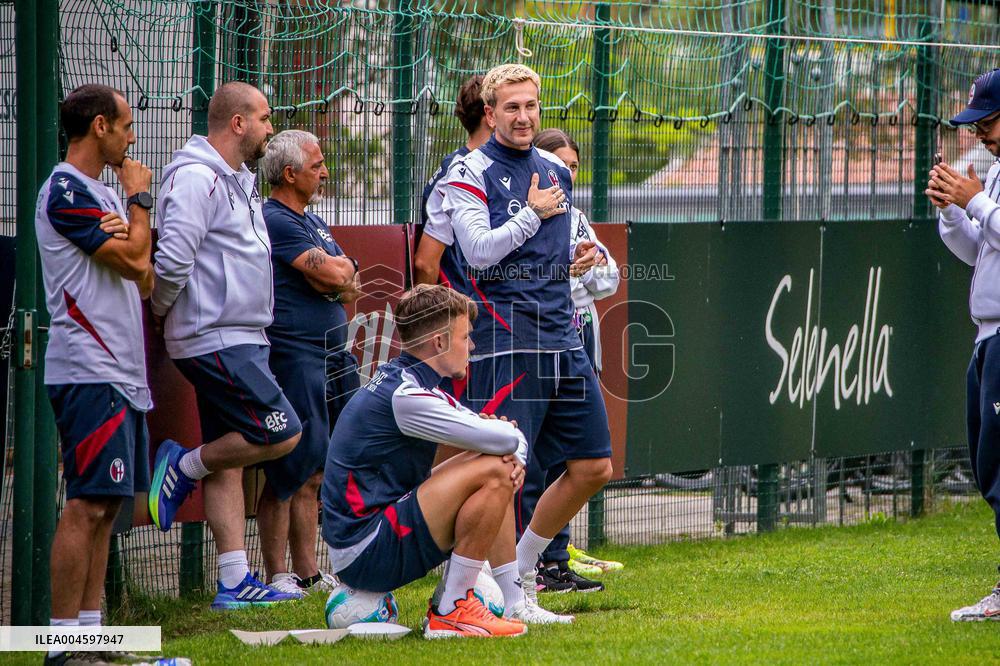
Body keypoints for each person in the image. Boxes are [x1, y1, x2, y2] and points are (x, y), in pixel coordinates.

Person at [441, 63, 611, 615]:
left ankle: (525, 567)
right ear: (489, 113)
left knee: (593, 466)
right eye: (511, 107)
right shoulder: (468, 172)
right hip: (506, 341)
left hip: (564, 335)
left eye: (531, 106)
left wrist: (575, 261)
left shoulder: (555, 172)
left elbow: (545, 258)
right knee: (506, 472)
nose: (523, 117)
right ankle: (512, 597)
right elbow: (479, 252)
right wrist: (533, 218)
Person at [149, 81, 303, 610]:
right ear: (237, 123)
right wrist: (169, 314)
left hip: (239, 335)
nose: (270, 128)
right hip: (214, 336)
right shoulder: (195, 179)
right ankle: (183, 466)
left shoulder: (237, 179)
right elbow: (170, 264)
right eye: (264, 117)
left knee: (229, 459)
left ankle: (233, 581)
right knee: (283, 432)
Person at [321, 284, 530, 638]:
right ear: (439, 343)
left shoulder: (409, 384)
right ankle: (452, 610)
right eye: (466, 337)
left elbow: (498, 438)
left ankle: (513, 602)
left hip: (367, 538)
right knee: (497, 467)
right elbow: (508, 438)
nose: (472, 346)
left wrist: (508, 448)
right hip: (366, 549)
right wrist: (512, 450)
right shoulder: (409, 396)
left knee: (495, 462)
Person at [257, 129, 362, 595]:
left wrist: (333, 278)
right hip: (295, 355)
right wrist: (333, 277)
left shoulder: (312, 222)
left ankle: (308, 571)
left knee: (317, 467)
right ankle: (277, 573)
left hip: (332, 355)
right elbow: (337, 273)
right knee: (291, 463)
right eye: (317, 165)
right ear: (290, 173)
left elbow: (349, 281)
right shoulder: (276, 218)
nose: (325, 171)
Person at [519, 127, 621, 594]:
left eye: (574, 168)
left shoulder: (576, 216)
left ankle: (553, 559)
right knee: (531, 462)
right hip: (535, 343)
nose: (566, 175)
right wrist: (571, 274)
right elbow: (532, 281)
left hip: (579, 342)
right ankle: (519, 566)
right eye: (560, 165)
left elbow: (609, 278)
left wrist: (584, 270)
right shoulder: (523, 214)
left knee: (572, 462)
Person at [927, 67, 1000, 621]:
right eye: (977, 125)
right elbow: (981, 252)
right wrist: (953, 212)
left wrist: (974, 200)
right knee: (988, 465)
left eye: (990, 121)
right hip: (988, 336)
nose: (981, 134)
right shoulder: (996, 174)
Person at [413, 74, 491, 288]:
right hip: (463, 308)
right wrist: (432, 317)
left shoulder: (488, 165)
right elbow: (425, 263)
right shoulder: (459, 171)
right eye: (509, 107)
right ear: (490, 115)